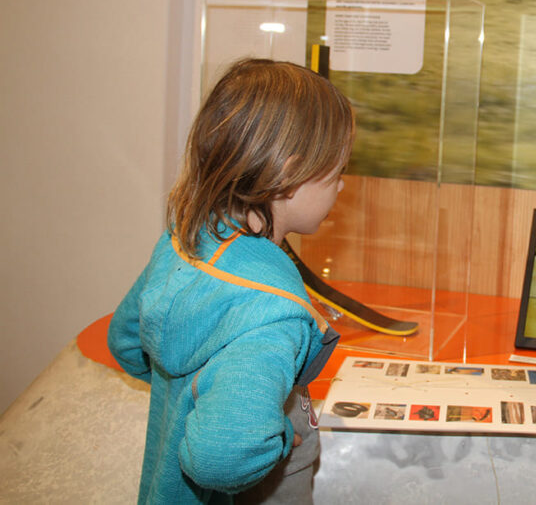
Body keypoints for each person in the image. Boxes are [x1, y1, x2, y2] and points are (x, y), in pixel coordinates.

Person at [108, 58, 355, 503]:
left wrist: (190, 398)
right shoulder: (270, 313)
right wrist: (274, 435)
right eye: (336, 172)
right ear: (286, 176)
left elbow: (126, 342)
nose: (341, 186)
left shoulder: (183, 241)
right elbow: (223, 457)